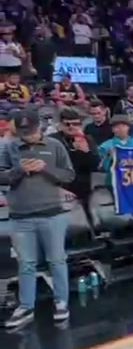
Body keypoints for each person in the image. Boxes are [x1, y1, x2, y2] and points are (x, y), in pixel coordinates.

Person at [0, 108, 76, 330]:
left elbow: (68, 175)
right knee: (26, 264)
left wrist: (45, 168)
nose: (28, 136)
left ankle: (61, 302)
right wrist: (19, 170)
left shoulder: (55, 146)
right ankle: (26, 306)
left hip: (52, 213)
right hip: (20, 216)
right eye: (24, 132)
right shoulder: (9, 147)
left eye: (31, 131)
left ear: (39, 126)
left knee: (57, 260)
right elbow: (1, 177)